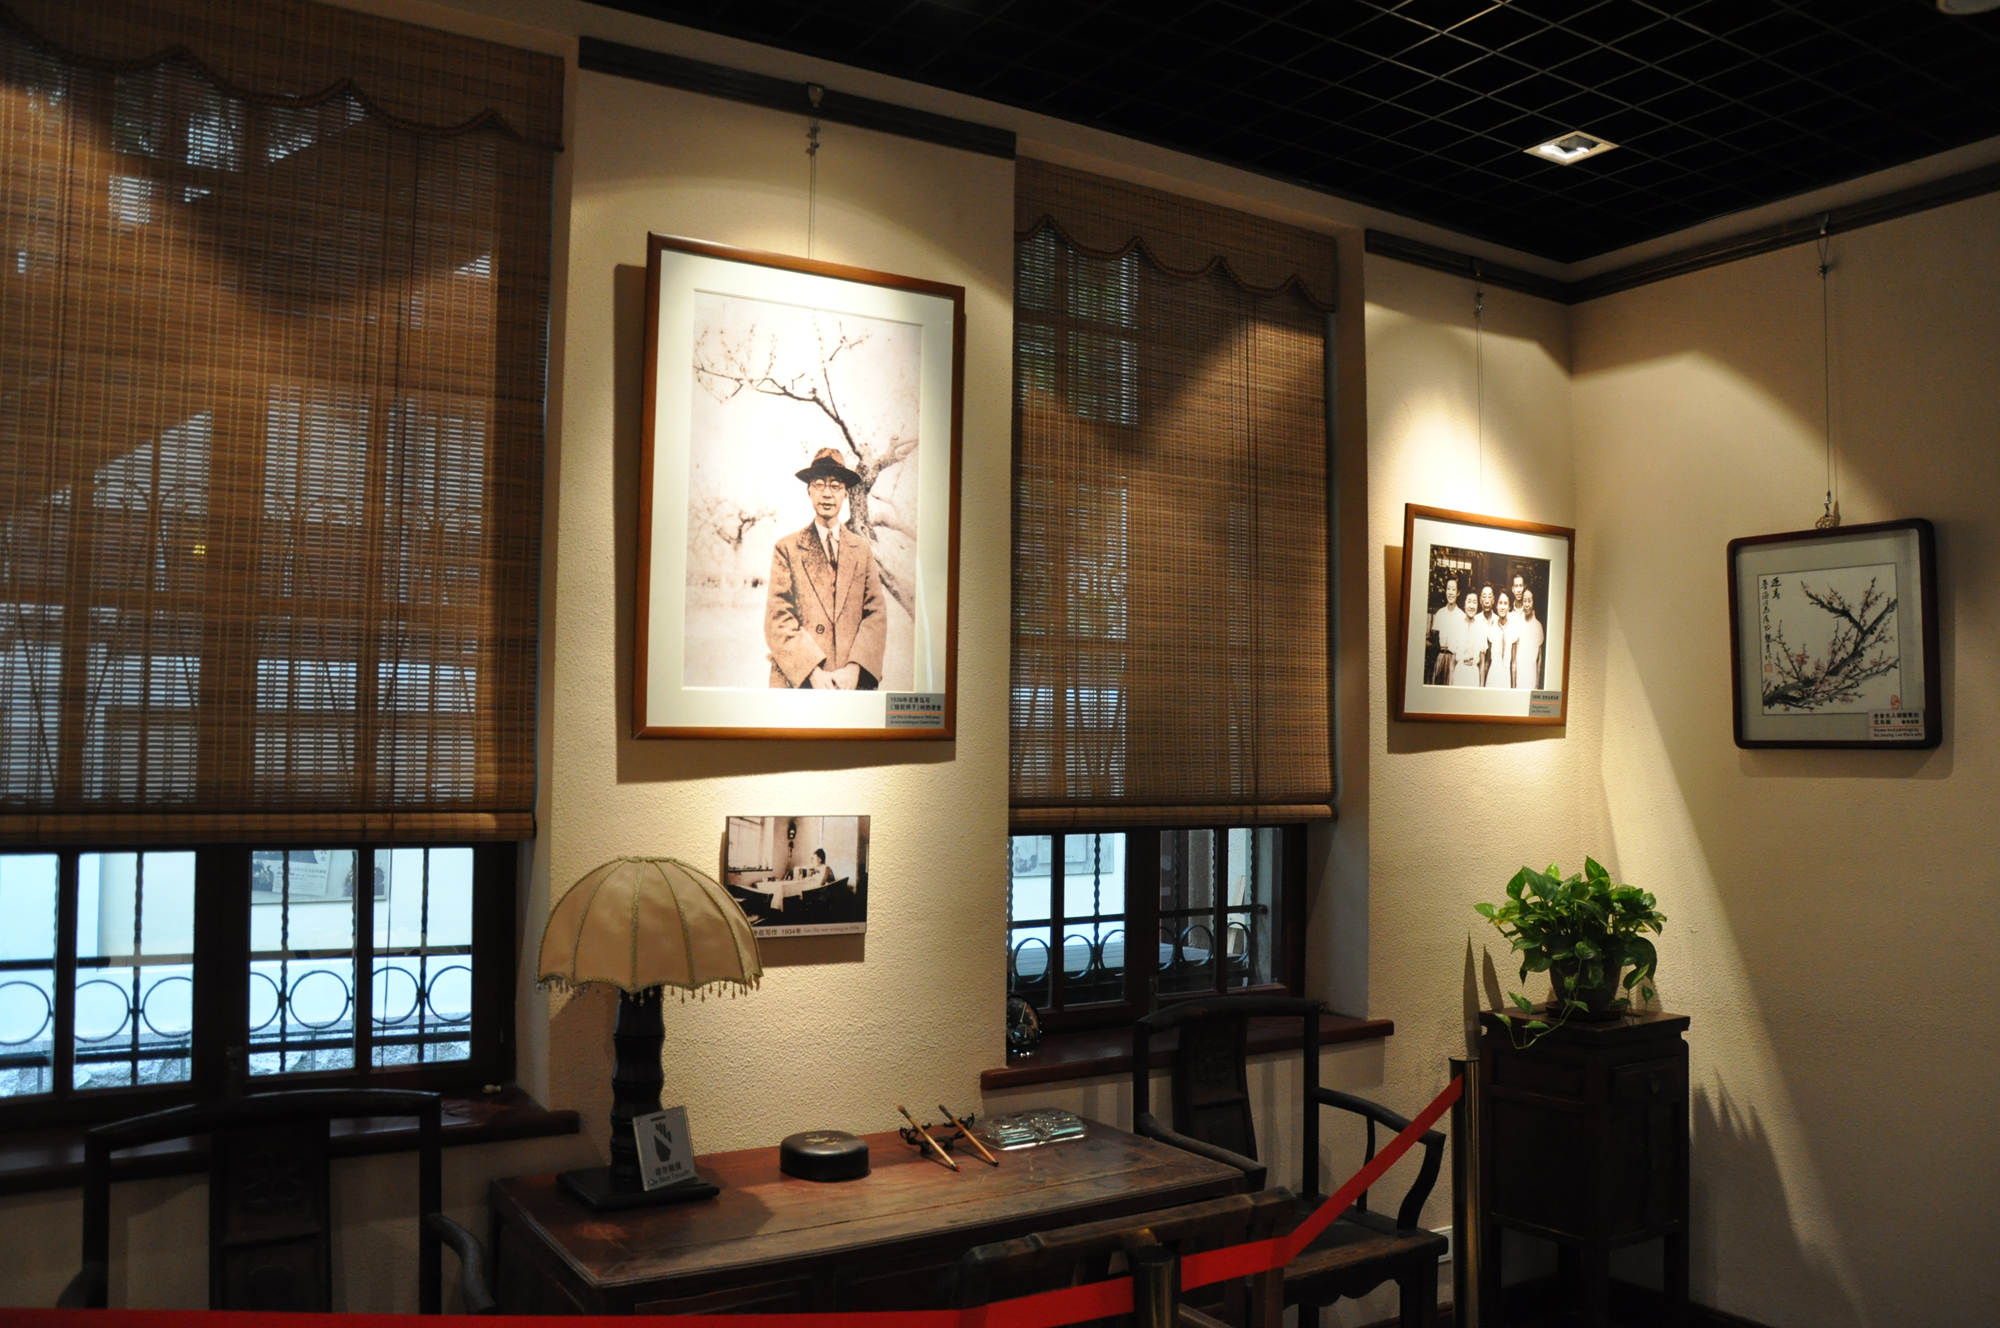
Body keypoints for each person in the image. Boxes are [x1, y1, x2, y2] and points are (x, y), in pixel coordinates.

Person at [765, 447, 886, 690]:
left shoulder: (861, 550)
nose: (827, 494)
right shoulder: (786, 549)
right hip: (799, 683)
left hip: (850, 684)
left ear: (845, 493)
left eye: (835, 486)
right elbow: (778, 620)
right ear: (809, 491)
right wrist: (812, 671)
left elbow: (875, 614)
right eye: (819, 484)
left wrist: (854, 670)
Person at [1447, 589, 1483, 687]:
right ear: (1464, 604)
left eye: (1474, 602)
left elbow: (1482, 663)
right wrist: (1450, 686)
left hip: (1474, 675)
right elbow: (1452, 662)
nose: (1471, 606)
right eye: (1469, 602)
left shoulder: (1481, 628)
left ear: (1478, 605)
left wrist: (1481, 687)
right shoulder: (1456, 626)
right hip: (1459, 673)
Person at [1429, 576, 1459, 685]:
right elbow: (1433, 640)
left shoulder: (1461, 616)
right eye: (1448, 589)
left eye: (1453, 589)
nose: (1450, 593)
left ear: (1458, 593)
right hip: (1440, 657)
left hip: (1454, 659)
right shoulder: (1440, 614)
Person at [1487, 592, 1521, 688]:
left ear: (1509, 607)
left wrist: (1513, 688)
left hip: (1506, 678)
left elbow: (1513, 662)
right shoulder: (1491, 628)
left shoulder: (1513, 629)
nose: (1502, 607)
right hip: (1492, 677)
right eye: (1500, 603)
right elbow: (1487, 661)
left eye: (1505, 603)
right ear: (1496, 606)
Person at [1517, 588, 1546, 691]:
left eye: (1529, 601)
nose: (1527, 604)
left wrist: (1537, 683)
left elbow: (1539, 658)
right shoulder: (1518, 623)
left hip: (1531, 675)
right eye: (1524, 601)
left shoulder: (1538, 626)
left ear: (1533, 602)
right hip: (1519, 674)